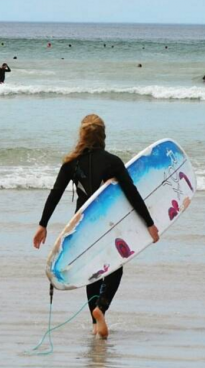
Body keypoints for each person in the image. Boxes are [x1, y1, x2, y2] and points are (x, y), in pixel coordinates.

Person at [33, 115, 159, 339]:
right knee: (115, 267)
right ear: (103, 136)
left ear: (82, 135)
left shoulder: (71, 162)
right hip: (108, 225)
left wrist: (43, 224)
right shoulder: (113, 162)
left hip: (82, 227)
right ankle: (101, 307)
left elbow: (55, 193)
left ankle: (94, 322)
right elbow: (132, 194)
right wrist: (149, 224)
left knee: (91, 271)